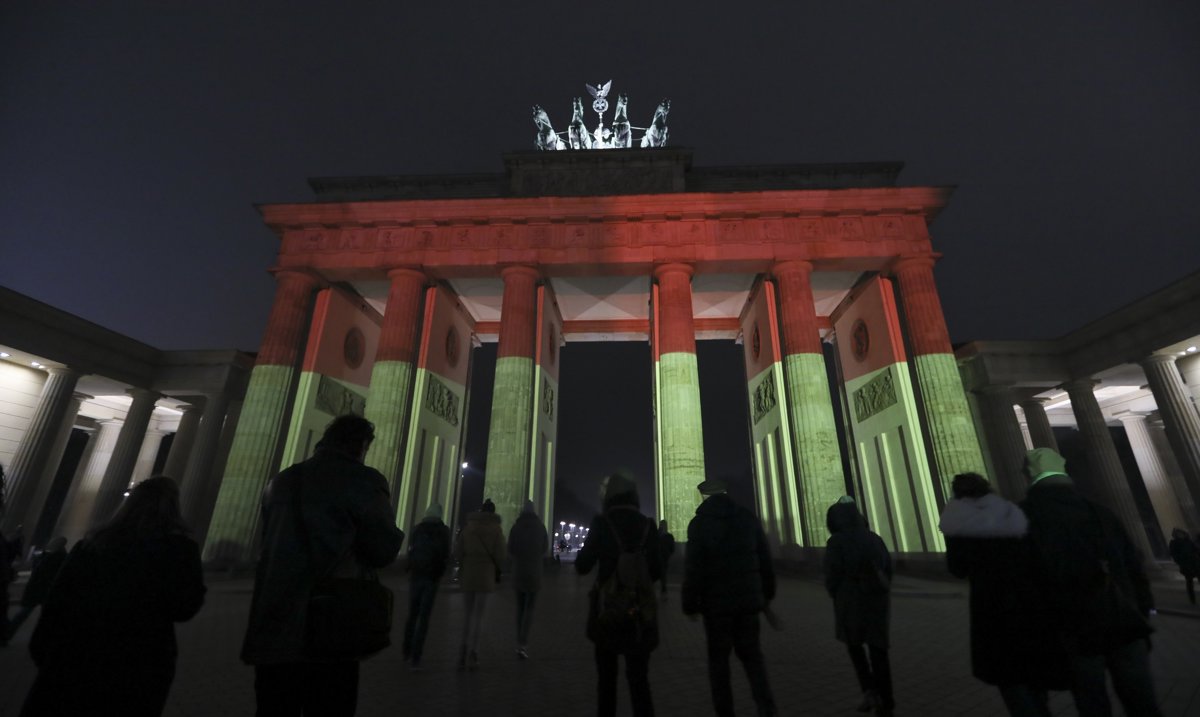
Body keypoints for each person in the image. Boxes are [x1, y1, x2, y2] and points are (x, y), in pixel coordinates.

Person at [241, 414, 405, 716]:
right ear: (362, 446)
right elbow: (382, 550)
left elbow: (267, 544)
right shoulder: (364, 481)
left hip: (274, 621)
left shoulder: (282, 481)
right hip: (331, 621)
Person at [21, 476, 205, 716]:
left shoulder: (90, 546)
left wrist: (44, 651)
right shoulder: (179, 551)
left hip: (77, 655)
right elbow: (185, 608)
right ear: (173, 508)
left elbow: (57, 602)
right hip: (139, 663)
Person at [1021, 447, 1162, 717]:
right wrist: (1142, 611)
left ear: (1028, 475)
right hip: (1121, 620)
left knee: (1091, 703)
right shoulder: (1100, 512)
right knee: (1142, 703)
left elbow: (1023, 583)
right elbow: (1133, 567)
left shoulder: (1023, 517)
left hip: (1071, 627)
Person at [940, 472, 1068, 716]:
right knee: (1033, 667)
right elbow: (1037, 556)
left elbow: (957, 568)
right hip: (1028, 602)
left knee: (1008, 674)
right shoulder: (1011, 512)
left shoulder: (959, 522)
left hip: (992, 606)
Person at [682, 478, 777, 717]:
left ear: (704, 496)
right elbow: (764, 558)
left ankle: (725, 712)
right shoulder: (747, 519)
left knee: (719, 664)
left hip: (716, 607)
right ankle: (767, 709)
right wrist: (766, 594)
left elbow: (693, 568)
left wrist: (689, 603)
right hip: (747, 605)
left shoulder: (699, 524)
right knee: (753, 659)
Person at [576, 472, 662, 717]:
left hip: (608, 612)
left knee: (606, 682)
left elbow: (583, 566)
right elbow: (657, 570)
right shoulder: (647, 525)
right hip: (639, 614)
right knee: (640, 682)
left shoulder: (602, 524)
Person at [824, 496, 894, 717]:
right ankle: (887, 702)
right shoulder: (875, 539)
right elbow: (888, 569)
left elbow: (831, 575)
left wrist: (835, 593)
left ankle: (869, 691)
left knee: (855, 649)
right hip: (877, 601)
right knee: (878, 652)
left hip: (850, 602)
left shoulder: (836, 542)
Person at [453, 497, 504, 670]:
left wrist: (465, 563)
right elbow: (501, 554)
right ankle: (474, 651)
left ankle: (462, 648)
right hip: (485, 575)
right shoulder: (496, 529)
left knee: (467, 614)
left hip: (469, 574)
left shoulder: (469, 527)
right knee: (479, 615)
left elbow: (458, 551)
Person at [402, 502, 451, 670]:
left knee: (412, 614)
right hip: (432, 577)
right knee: (424, 617)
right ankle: (416, 657)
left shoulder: (417, 529)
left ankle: (406, 650)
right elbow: (446, 553)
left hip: (416, 575)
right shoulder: (443, 531)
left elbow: (410, 549)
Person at [5, 537, 69, 641]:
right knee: (30, 615)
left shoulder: (50, 556)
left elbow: (39, 572)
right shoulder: (58, 557)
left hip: (41, 589)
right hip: (43, 589)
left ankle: (7, 636)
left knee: (24, 614)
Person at [507, 499, 548, 659]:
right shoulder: (541, 527)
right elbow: (545, 548)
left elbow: (510, 548)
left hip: (519, 571)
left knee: (520, 608)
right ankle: (523, 643)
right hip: (534, 573)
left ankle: (519, 641)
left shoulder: (516, 527)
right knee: (530, 609)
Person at [1168, 527, 1200, 605]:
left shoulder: (1188, 541)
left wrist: (1196, 556)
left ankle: (1192, 599)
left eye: (1181, 533)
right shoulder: (1174, 543)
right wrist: (1181, 561)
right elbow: (1174, 555)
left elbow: (1195, 550)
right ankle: (1192, 599)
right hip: (1186, 565)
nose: (1180, 534)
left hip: (1195, 563)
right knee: (1189, 582)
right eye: (1178, 533)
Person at [657, 519, 676, 596]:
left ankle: (663, 590)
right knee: (663, 574)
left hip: (660, 557)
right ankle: (663, 590)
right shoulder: (669, 537)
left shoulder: (657, 536)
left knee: (662, 573)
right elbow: (672, 548)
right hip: (665, 557)